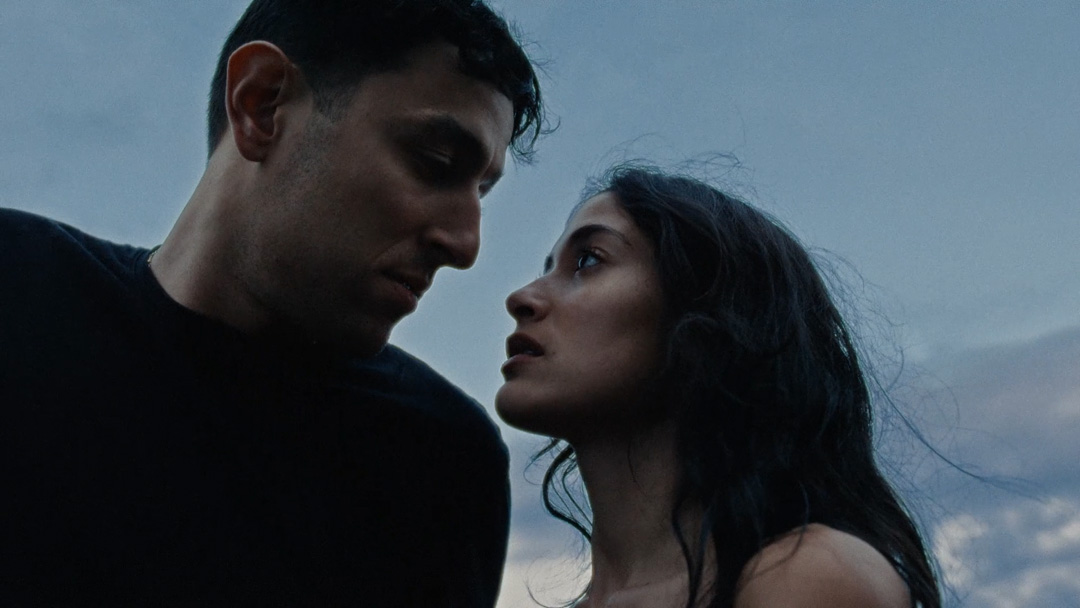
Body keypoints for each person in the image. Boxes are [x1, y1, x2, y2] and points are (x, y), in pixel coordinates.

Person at [0, 1, 542, 605]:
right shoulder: (16, 289)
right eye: (435, 163)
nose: (466, 245)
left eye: (482, 192)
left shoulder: (440, 464)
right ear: (262, 105)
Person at [495, 165, 940, 608]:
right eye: (548, 267)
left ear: (708, 320)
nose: (522, 298)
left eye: (588, 260)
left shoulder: (808, 576)